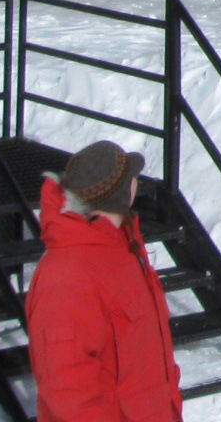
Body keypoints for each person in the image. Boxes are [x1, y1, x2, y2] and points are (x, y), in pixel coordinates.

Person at [24, 140, 184, 420]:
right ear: (123, 193)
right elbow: (66, 385)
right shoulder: (68, 274)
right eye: (132, 178)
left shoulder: (123, 248)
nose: (136, 183)